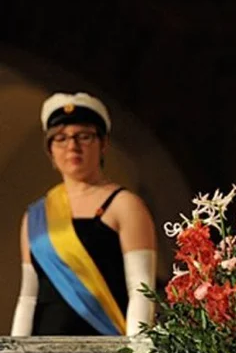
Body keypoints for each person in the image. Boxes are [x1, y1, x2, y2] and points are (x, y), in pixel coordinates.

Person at [11, 92, 157, 336]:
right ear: (50, 152)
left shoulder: (125, 205)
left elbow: (141, 289)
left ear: (103, 144)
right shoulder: (35, 216)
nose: (72, 146)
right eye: (60, 138)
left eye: (84, 136)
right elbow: (28, 297)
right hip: (43, 351)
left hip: (105, 346)